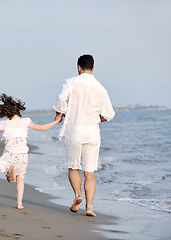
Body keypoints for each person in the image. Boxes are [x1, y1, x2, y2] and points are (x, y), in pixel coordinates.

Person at [0, 93, 61, 209]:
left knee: (9, 174)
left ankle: (10, 174)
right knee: (21, 178)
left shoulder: (3, 124)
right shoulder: (25, 121)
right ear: (18, 109)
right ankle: (19, 204)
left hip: (10, 153)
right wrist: (56, 121)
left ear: (4, 112)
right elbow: (43, 128)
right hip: (22, 154)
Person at [54, 54, 115, 217]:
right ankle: (89, 207)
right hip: (92, 133)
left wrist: (59, 113)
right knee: (90, 172)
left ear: (78, 67)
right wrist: (96, 118)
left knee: (73, 167)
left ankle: (77, 196)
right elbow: (109, 114)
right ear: (93, 68)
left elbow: (61, 98)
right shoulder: (100, 87)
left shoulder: (71, 82)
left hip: (74, 131)